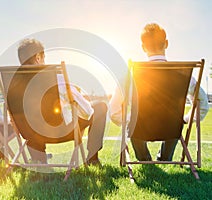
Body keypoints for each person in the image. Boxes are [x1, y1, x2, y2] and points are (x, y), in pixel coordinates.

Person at [110, 23, 209, 161]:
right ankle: (164, 158)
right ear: (166, 43)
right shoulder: (182, 75)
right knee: (174, 122)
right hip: (171, 129)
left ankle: (144, 158)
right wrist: (185, 119)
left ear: (143, 47)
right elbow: (203, 104)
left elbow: (113, 111)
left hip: (139, 129)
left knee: (133, 123)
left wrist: (129, 120)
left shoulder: (130, 76)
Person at [15, 38, 107, 165]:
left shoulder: (12, 81)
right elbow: (84, 109)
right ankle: (92, 158)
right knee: (100, 107)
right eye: (43, 57)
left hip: (29, 133)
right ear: (38, 57)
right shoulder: (52, 76)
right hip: (60, 131)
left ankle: (38, 159)